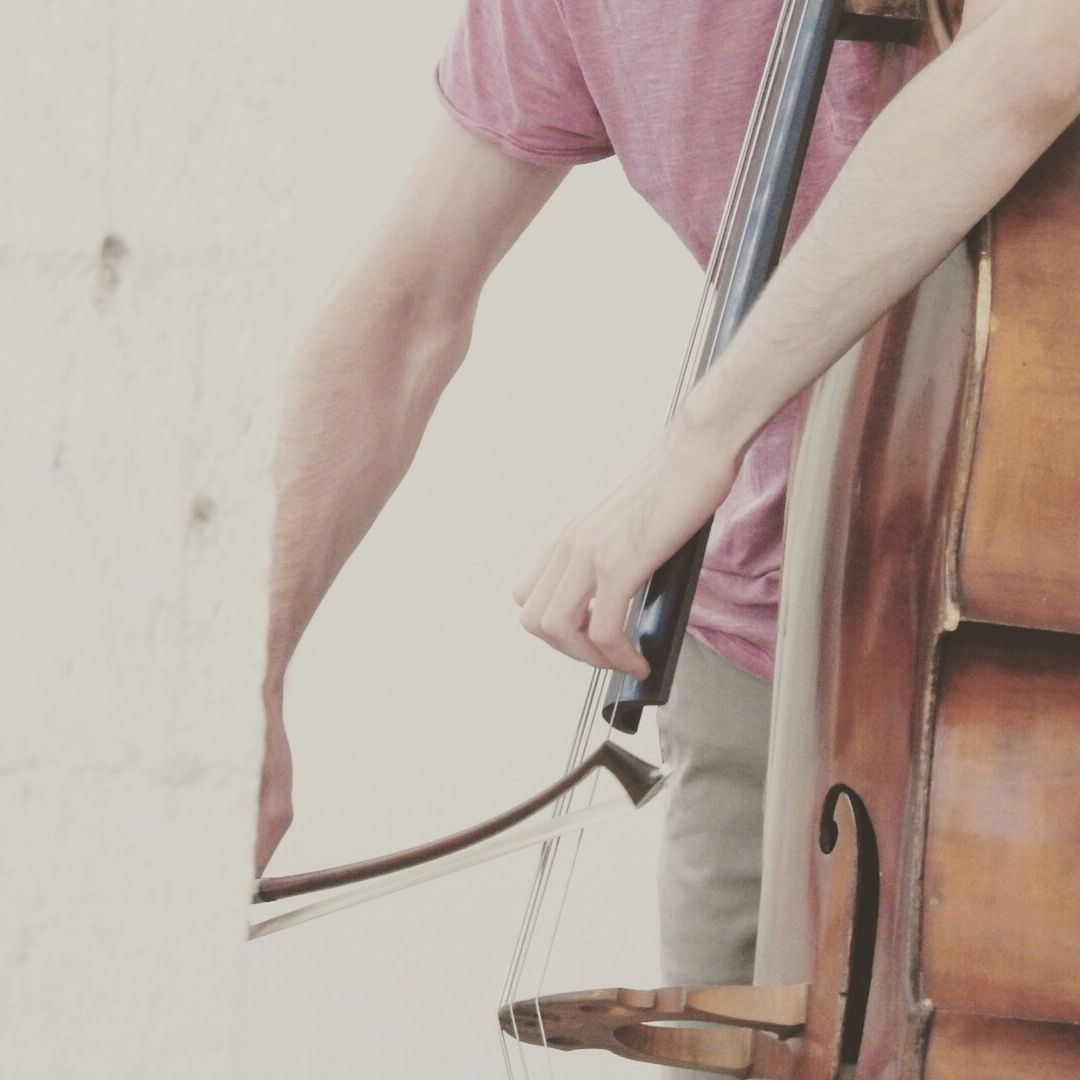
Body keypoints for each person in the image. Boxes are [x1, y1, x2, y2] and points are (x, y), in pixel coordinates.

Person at [258, 0, 1080, 1068]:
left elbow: (1040, 53)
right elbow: (407, 308)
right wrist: (253, 674)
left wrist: (703, 430)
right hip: (779, 659)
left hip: (1035, 591)